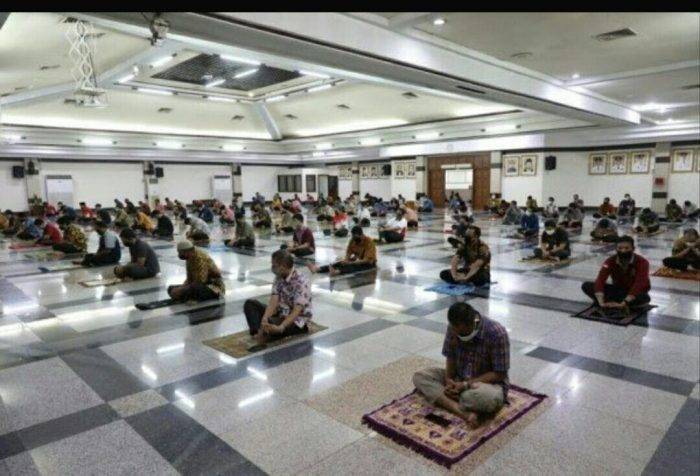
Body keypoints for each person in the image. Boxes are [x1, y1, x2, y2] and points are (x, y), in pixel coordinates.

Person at [413, 302, 509, 428]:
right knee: (420, 376)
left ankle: (446, 399)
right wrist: (449, 380)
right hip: (459, 378)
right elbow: (450, 356)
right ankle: (462, 411)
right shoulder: (453, 327)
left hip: (485, 385)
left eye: (462, 333)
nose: (456, 334)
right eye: (455, 330)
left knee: (490, 399)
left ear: (472, 324)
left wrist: (465, 385)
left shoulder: (496, 333)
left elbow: (500, 374)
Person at [243, 250, 312, 344]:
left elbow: (297, 311)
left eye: (274, 265)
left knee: (274, 328)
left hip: (296, 321)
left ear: (283, 266)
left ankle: (270, 331)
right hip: (280, 314)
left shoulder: (301, 281)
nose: (272, 268)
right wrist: (265, 318)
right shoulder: (279, 277)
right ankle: (258, 332)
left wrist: (281, 327)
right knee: (250, 304)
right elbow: (273, 302)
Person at [581, 235, 651, 309]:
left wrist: (625, 302)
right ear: (616, 249)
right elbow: (600, 279)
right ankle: (615, 302)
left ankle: (619, 303)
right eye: (620, 248)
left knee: (644, 297)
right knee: (587, 286)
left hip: (634, 292)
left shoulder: (642, 262)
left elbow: (640, 283)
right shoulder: (610, 261)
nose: (623, 251)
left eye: (626, 248)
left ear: (633, 249)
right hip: (618, 290)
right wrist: (601, 302)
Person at [308, 226, 377, 277]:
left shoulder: (369, 242)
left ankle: (336, 272)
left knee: (353, 266)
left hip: (369, 263)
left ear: (361, 235)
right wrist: (346, 259)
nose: (354, 238)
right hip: (357, 259)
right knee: (340, 263)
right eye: (353, 236)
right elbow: (349, 252)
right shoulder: (353, 240)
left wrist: (352, 262)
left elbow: (367, 260)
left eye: (355, 237)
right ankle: (318, 269)